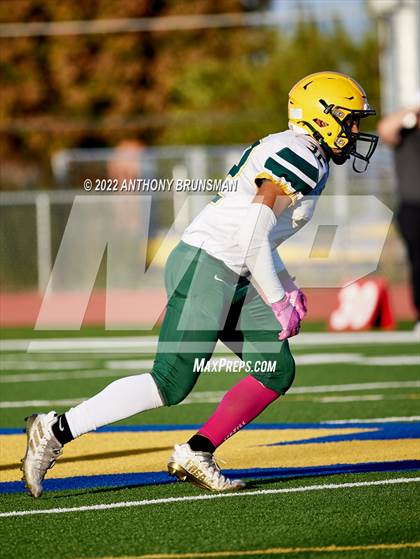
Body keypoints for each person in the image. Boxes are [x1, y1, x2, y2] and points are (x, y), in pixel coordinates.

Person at [22, 71, 378, 497]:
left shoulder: (304, 154)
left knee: (276, 370)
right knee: (170, 381)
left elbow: (258, 235)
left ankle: (197, 452)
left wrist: (285, 283)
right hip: (208, 264)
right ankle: (54, 430)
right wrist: (278, 298)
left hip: (233, 268)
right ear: (321, 116)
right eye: (349, 119)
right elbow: (251, 233)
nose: (354, 130)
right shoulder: (300, 154)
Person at [377, 103, 420, 331]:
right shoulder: (405, 132)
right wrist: (413, 109)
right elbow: (385, 129)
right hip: (413, 206)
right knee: (418, 262)